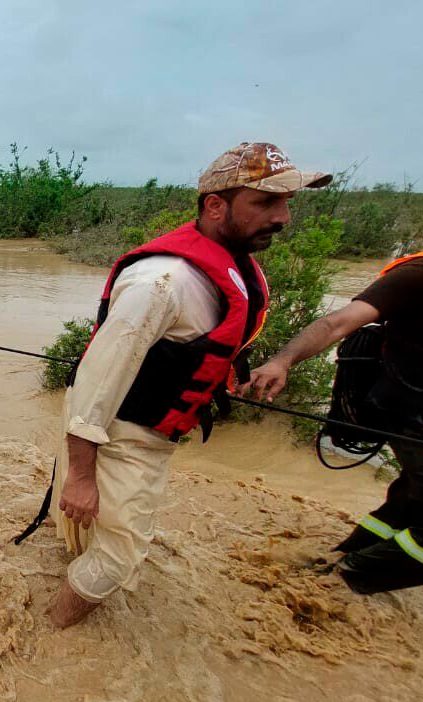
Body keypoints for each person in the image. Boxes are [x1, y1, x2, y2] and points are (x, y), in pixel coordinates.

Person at [46, 143, 330, 629]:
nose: (282, 217)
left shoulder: (232, 263)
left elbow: (200, 340)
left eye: (286, 203)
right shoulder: (162, 282)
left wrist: (234, 370)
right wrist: (81, 475)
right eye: (265, 203)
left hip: (151, 432)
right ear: (215, 205)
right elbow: (95, 382)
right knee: (117, 560)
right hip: (120, 435)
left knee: (95, 533)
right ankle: (49, 637)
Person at [243, 236, 423, 594]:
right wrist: (282, 359)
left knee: (413, 504)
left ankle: (336, 565)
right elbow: (339, 323)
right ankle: (338, 587)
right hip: (421, 422)